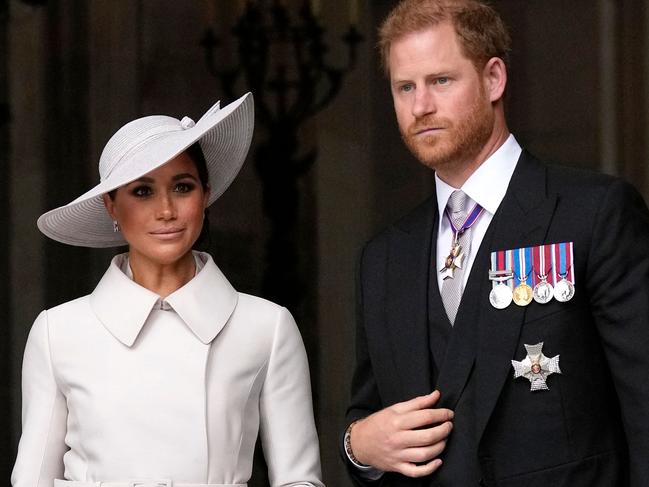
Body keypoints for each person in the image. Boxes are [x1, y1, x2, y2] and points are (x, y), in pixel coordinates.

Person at [342, 1, 649, 486]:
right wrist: (357, 446)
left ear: (494, 79)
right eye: (405, 87)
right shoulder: (382, 258)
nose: (420, 106)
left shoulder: (594, 213)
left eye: (441, 80)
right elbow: (370, 418)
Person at [12, 93, 325, 487]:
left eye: (182, 187)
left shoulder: (267, 327)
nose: (166, 210)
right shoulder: (57, 332)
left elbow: (299, 480)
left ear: (206, 193)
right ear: (111, 205)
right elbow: (31, 481)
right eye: (142, 191)